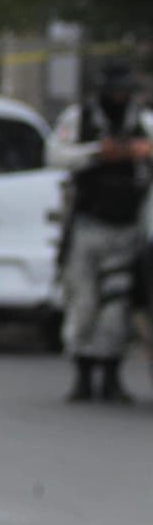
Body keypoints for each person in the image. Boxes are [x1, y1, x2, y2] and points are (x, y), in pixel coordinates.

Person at [49, 58, 153, 404]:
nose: (122, 96)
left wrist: (140, 152)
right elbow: (56, 155)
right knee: (84, 303)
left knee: (117, 306)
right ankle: (82, 375)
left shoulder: (142, 122)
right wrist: (98, 153)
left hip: (127, 227)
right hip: (87, 226)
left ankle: (111, 376)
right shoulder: (79, 119)